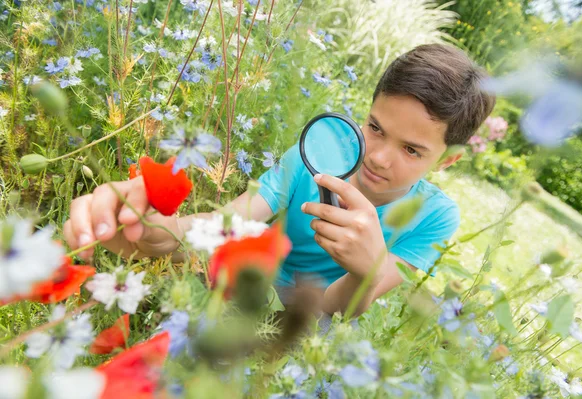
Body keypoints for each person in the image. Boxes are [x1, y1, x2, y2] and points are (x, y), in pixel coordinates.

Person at [63, 43, 495, 323]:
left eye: (412, 150)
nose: (378, 157)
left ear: (448, 160)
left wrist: (367, 272)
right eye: (375, 128)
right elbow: (224, 224)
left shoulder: (436, 216)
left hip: (314, 315)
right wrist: (148, 225)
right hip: (251, 278)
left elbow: (335, 309)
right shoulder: (322, 151)